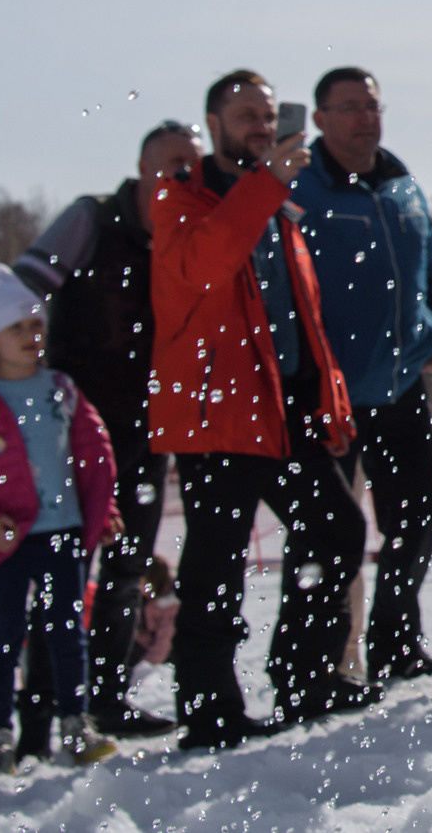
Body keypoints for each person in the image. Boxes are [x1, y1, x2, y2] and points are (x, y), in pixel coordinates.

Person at [150, 70, 371, 748]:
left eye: (267, 114)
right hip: (218, 415)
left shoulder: (278, 201)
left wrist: (329, 401)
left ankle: (304, 676)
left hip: (284, 415)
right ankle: (209, 708)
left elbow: (303, 316)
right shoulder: (182, 198)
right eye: (245, 113)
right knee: (215, 565)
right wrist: (266, 183)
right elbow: (205, 264)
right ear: (212, 123)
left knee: (336, 532)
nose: (259, 124)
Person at [10, 121, 199, 740]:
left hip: (147, 429)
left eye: (190, 168)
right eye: (170, 167)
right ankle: (41, 711)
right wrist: (25, 383)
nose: (181, 179)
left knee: (128, 565)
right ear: (143, 170)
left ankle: (106, 699)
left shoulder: (189, 235)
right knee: (65, 564)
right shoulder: (92, 219)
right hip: (73, 427)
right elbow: (22, 293)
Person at [292, 67, 432, 681]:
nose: (368, 117)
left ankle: (397, 643)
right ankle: (327, 662)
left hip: (400, 385)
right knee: (326, 536)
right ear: (319, 119)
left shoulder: (401, 184)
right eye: (350, 107)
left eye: (373, 105)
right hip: (329, 395)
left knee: (417, 518)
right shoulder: (301, 190)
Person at [0, 265, 121, 775]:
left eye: (35, 325)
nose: (31, 336)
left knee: (67, 633)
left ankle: (75, 724)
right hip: (5, 543)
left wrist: (107, 508)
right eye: (17, 328)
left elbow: (91, 455)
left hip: (61, 534)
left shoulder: (61, 389)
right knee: (5, 638)